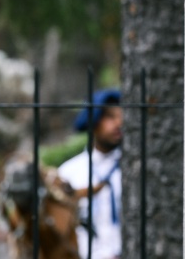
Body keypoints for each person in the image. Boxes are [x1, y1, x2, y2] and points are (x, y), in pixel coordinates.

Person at [59, 89, 123, 259]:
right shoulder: (69, 172)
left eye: (121, 116)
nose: (119, 123)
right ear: (93, 122)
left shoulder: (135, 170)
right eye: (110, 117)